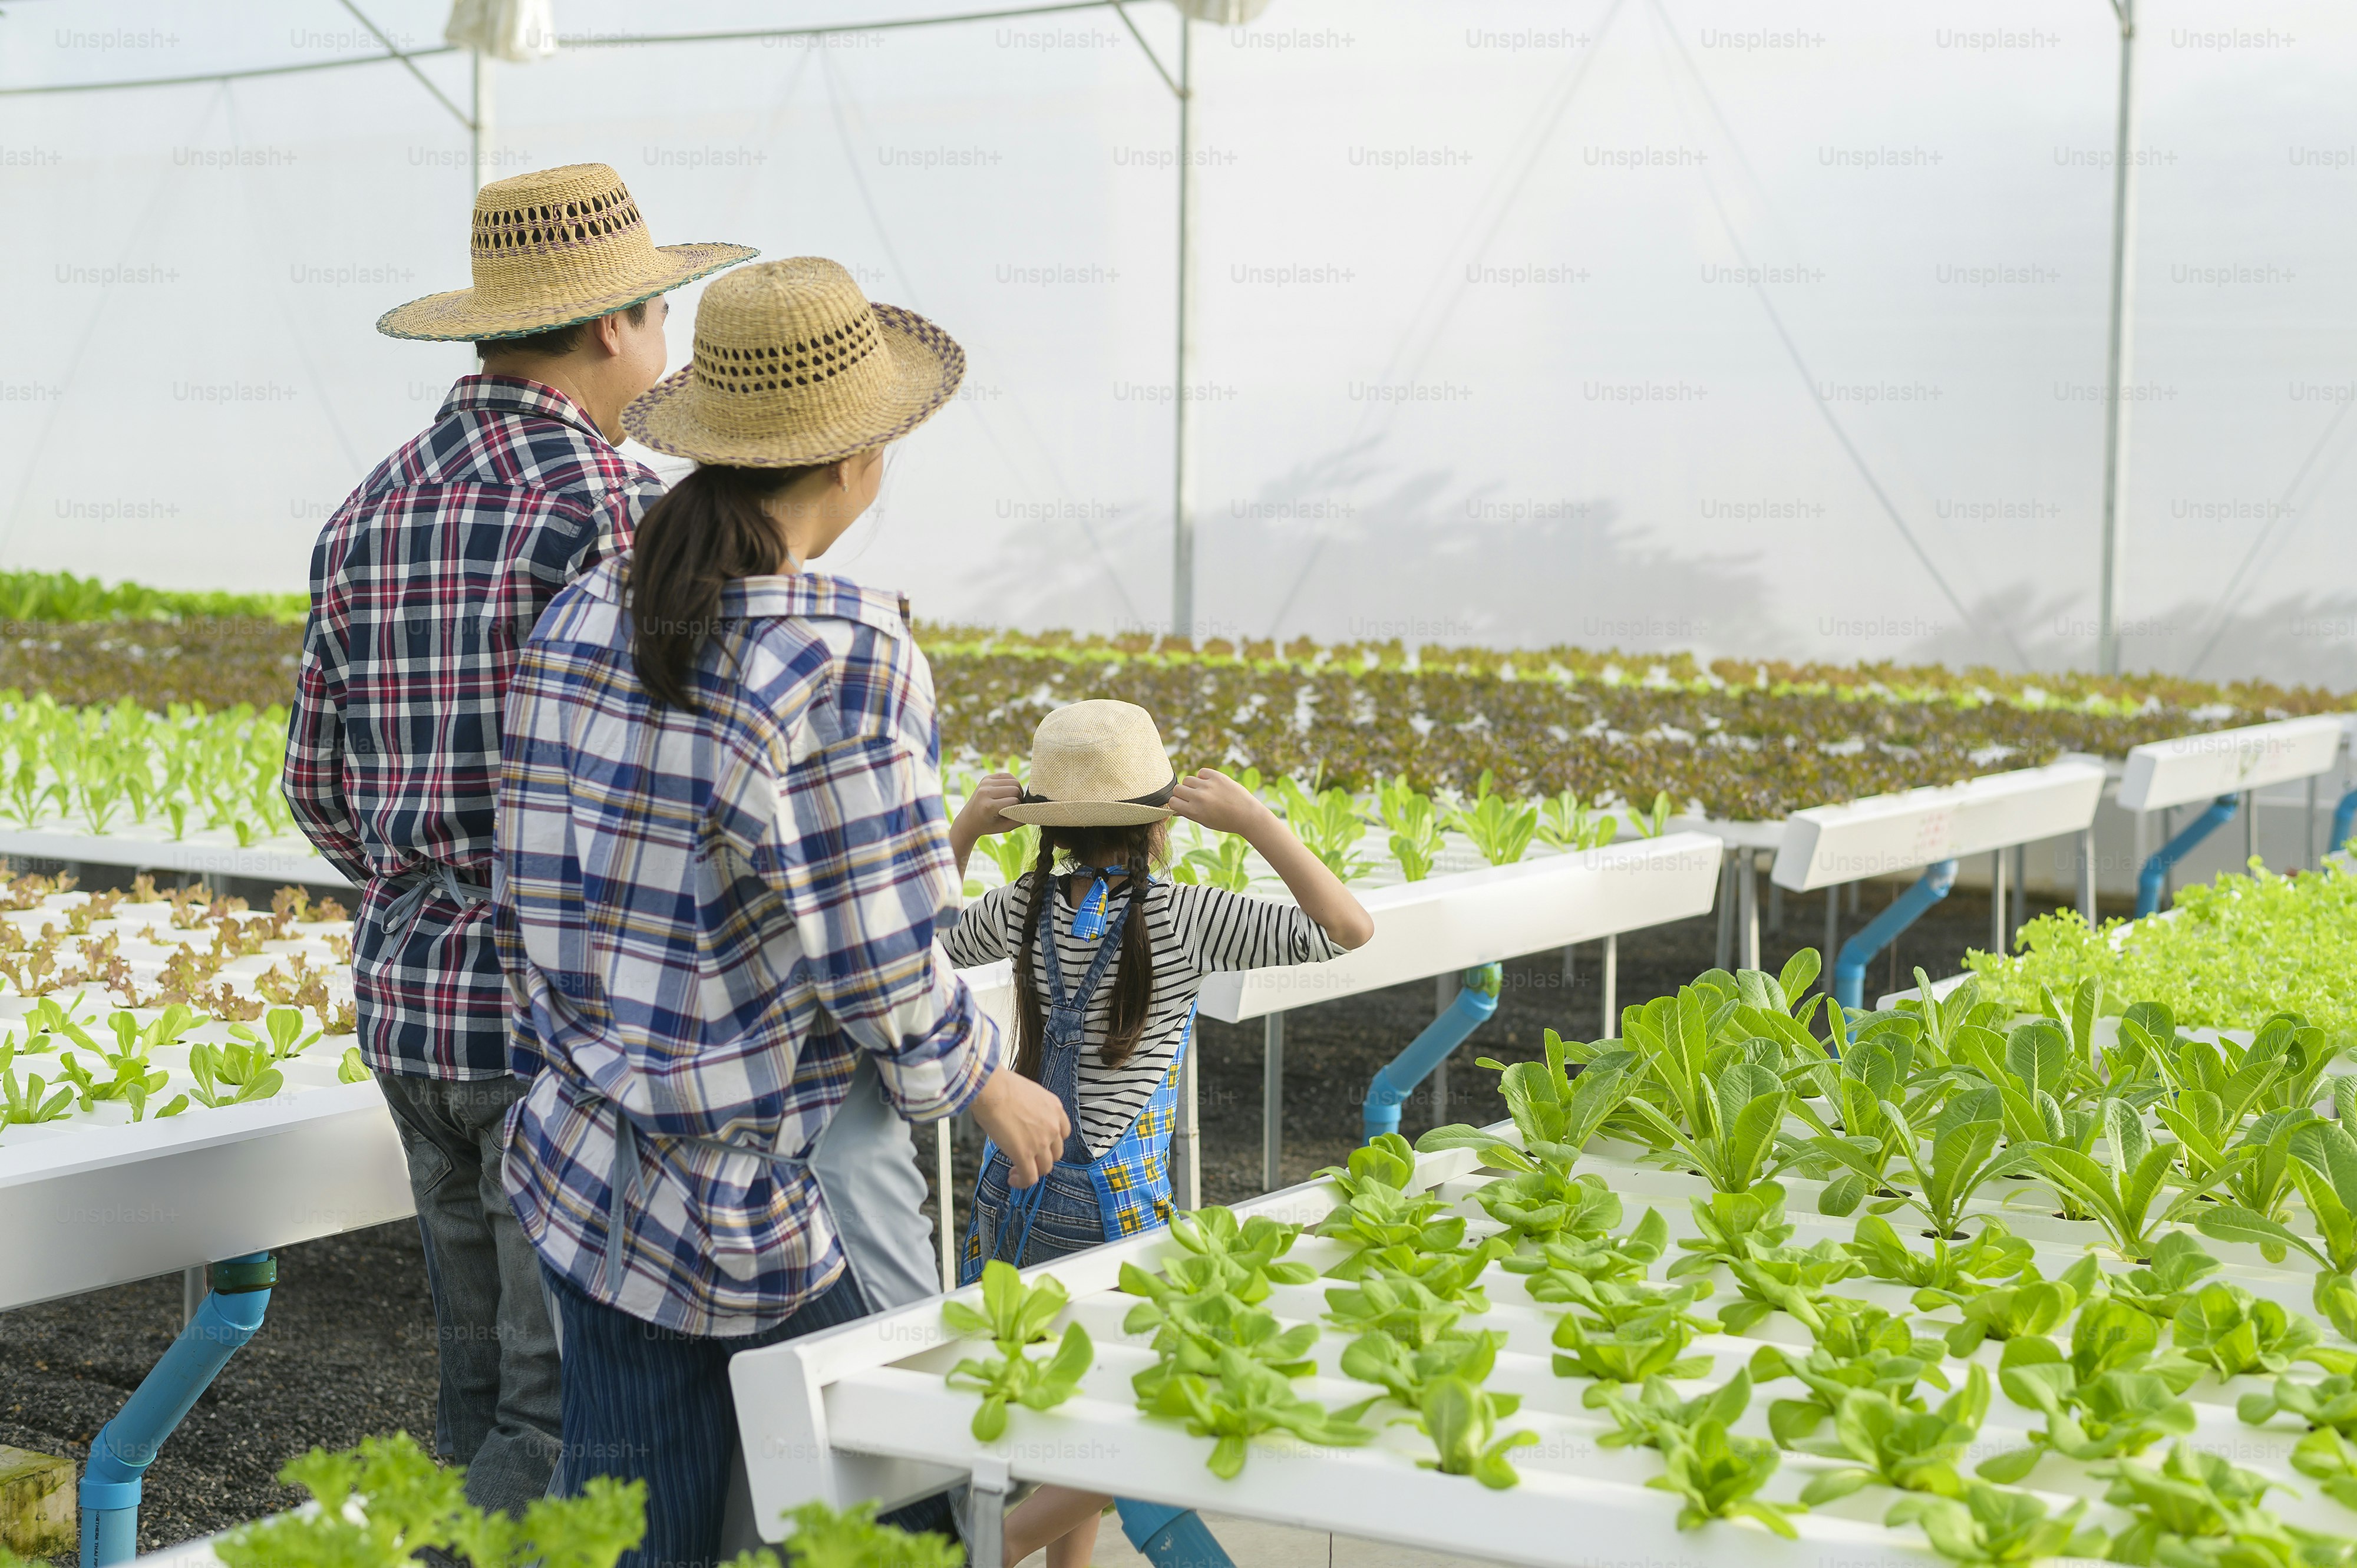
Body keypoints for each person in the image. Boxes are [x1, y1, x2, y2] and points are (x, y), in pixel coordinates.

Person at [492, 256, 1070, 1568]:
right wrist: (987, 1078)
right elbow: (875, 945)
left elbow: (530, 871)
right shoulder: (842, 648)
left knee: (639, 1535)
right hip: (744, 1199)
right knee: (901, 1518)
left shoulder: (587, 607)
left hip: (591, 1165)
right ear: (860, 456)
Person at [284, 163, 754, 1514]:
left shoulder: (368, 505)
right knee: (561, 1424)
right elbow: (663, 790)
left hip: (411, 1005)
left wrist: (430, 877)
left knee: (475, 1394)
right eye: (661, 314)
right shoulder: (614, 506)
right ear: (615, 324)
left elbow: (317, 785)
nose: (664, 343)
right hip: (554, 1024)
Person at [943, 698, 1374, 1568]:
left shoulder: (1028, 901)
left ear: (1048, 828)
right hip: (1114, 1211)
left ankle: (1043, 1550)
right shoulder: (1184, 916)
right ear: (1158, 825)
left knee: (1062, 1399)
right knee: (1152, 1410)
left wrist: (962, 831)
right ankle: (1006, 1540)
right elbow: (1347, 928)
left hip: (1010, 1190)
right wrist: (1256, 821)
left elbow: (917, 941)